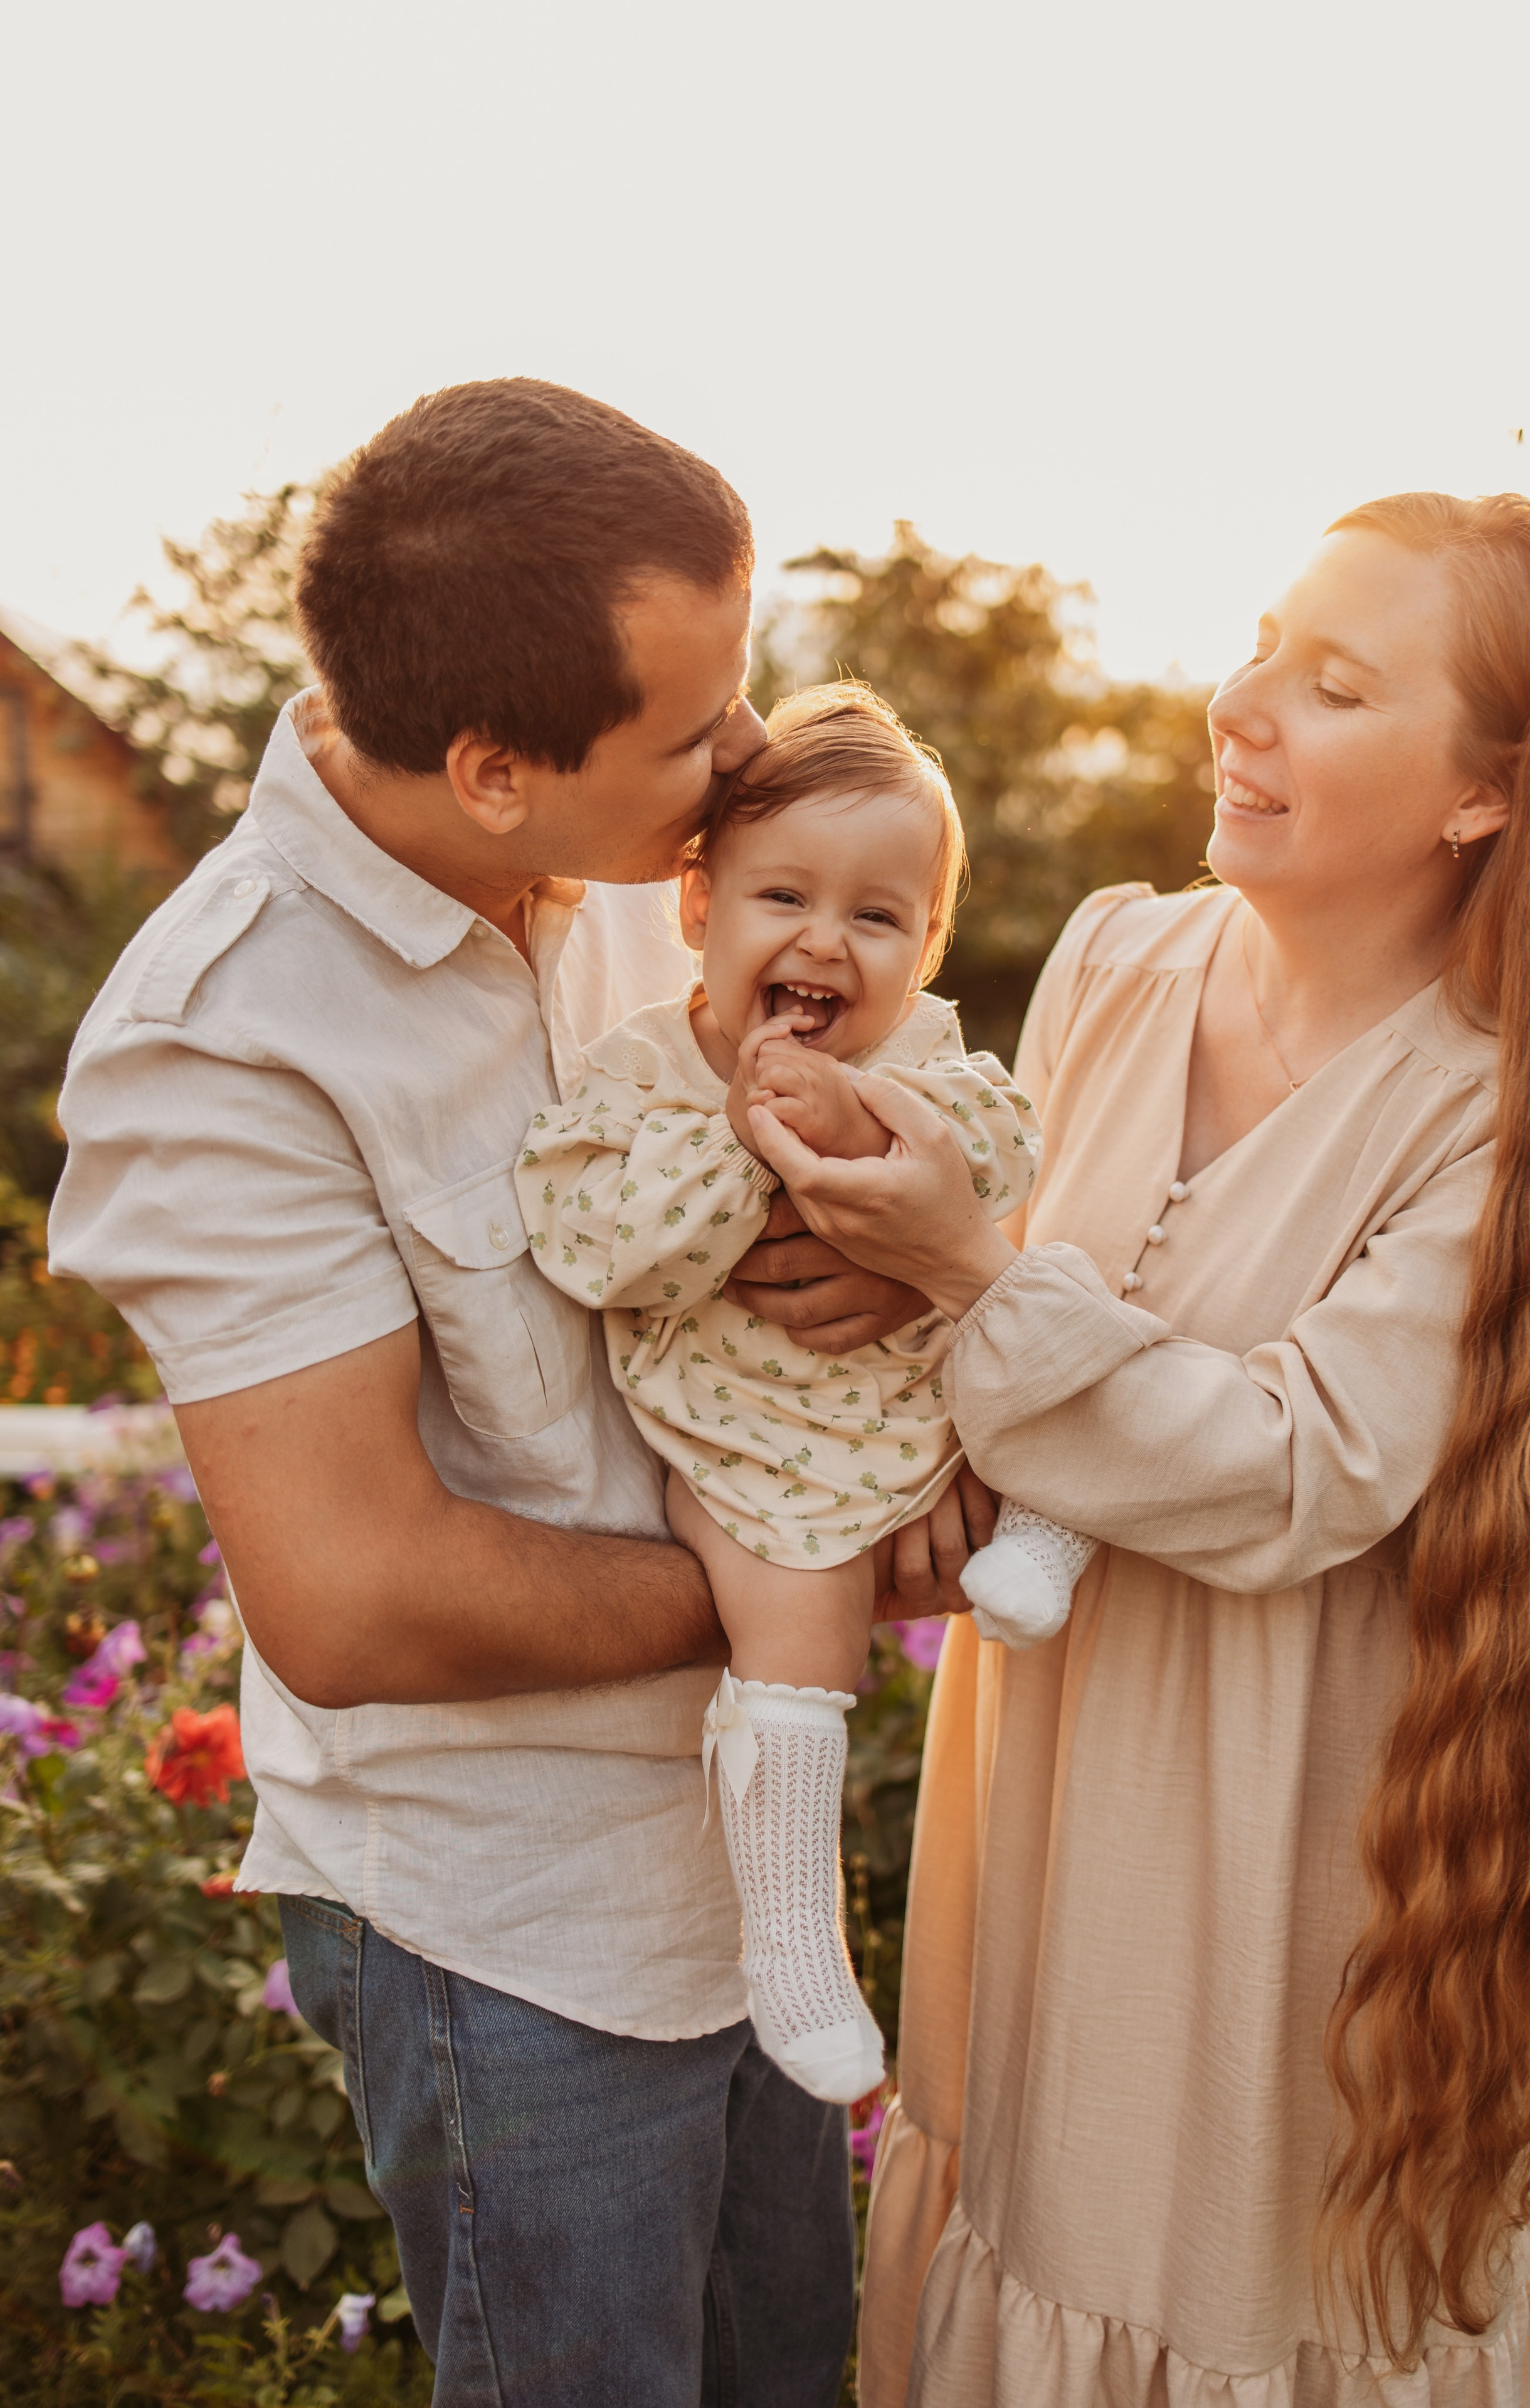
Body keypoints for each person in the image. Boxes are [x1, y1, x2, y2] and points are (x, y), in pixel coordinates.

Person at [47, 378, 991, 2408]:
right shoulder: (224, 1051)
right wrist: (826, 1575)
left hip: (748, 1878)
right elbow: (359, 1597)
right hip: (517, 1937)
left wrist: (911, 1283)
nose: (747, 755)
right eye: (697, 729)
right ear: (493, 769)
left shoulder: (650, 859)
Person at [749, 492, 1530, 2403]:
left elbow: (1296, 1469)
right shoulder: (1115, 966)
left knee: (1214, 2273)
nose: (1246, 705)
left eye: (1338, 684)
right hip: (1041, 1799)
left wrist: (967, 1277)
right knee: (1021, 2217)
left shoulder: (1502, 1112)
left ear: (1488, 790)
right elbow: (995, 1358)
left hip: (1296, 1846)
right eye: (1265, 644)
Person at [517, 682, 1048, 2108]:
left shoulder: (918, 1054)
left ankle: (1055, 1522)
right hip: (750, 1436)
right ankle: (796, 1942)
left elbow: (1001, 1166)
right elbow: (599, 1253)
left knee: (1057, 1320)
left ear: (924, 945)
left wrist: (898, 1172)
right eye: (784, 899)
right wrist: (753, 1145)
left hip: (922, 1389)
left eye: (877, 918)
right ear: (700, 908)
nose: (825, 940)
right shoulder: (642, 1067)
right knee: (797, 1614)